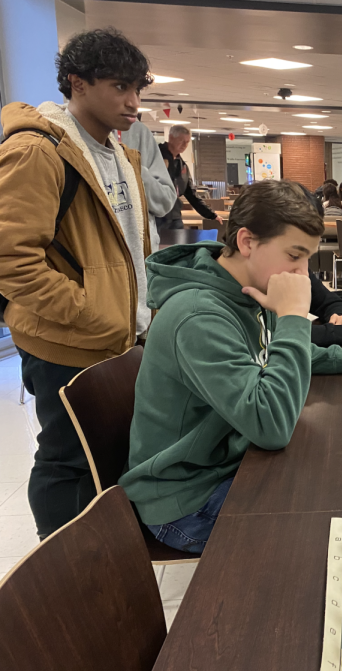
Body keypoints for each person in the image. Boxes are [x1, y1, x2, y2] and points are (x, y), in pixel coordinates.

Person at [119, 179, 342, 553]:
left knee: (338, 478)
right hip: (187, 499)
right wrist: (294, 315)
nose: (303, 273)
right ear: (247, 242)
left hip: (227, 460)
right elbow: (271, 426)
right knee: (335, 521)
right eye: (295, 256)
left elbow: (283, 355)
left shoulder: (245, 288)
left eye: (307, 259)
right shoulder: (198, 316)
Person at [0, 28, 153, 539]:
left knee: (103, 455)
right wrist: (91, 311)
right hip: (67, 341)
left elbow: (130, 250)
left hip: (115, 339)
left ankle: (102, 557)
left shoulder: (117, 153)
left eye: (138, 89)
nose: (133, 103)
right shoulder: (38, 150)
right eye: (119, 87)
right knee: (67, 459)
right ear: (77, 84)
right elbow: (10, 261)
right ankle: (67, 575)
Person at [120, 119, 177, 252]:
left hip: (141, 247)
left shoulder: (138, 132)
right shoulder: (65, 136)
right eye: (182, 141)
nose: (134, 102)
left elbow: (167, 197)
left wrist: (134, 168)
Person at [156, 124, 222, 230]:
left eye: (187, 142)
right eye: (181, 140)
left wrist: (212, 215)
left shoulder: (182, 165)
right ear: (171, 138)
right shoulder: (155, 156)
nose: (184, 145)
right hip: (156, 216)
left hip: (175, 217)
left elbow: (191, 194)